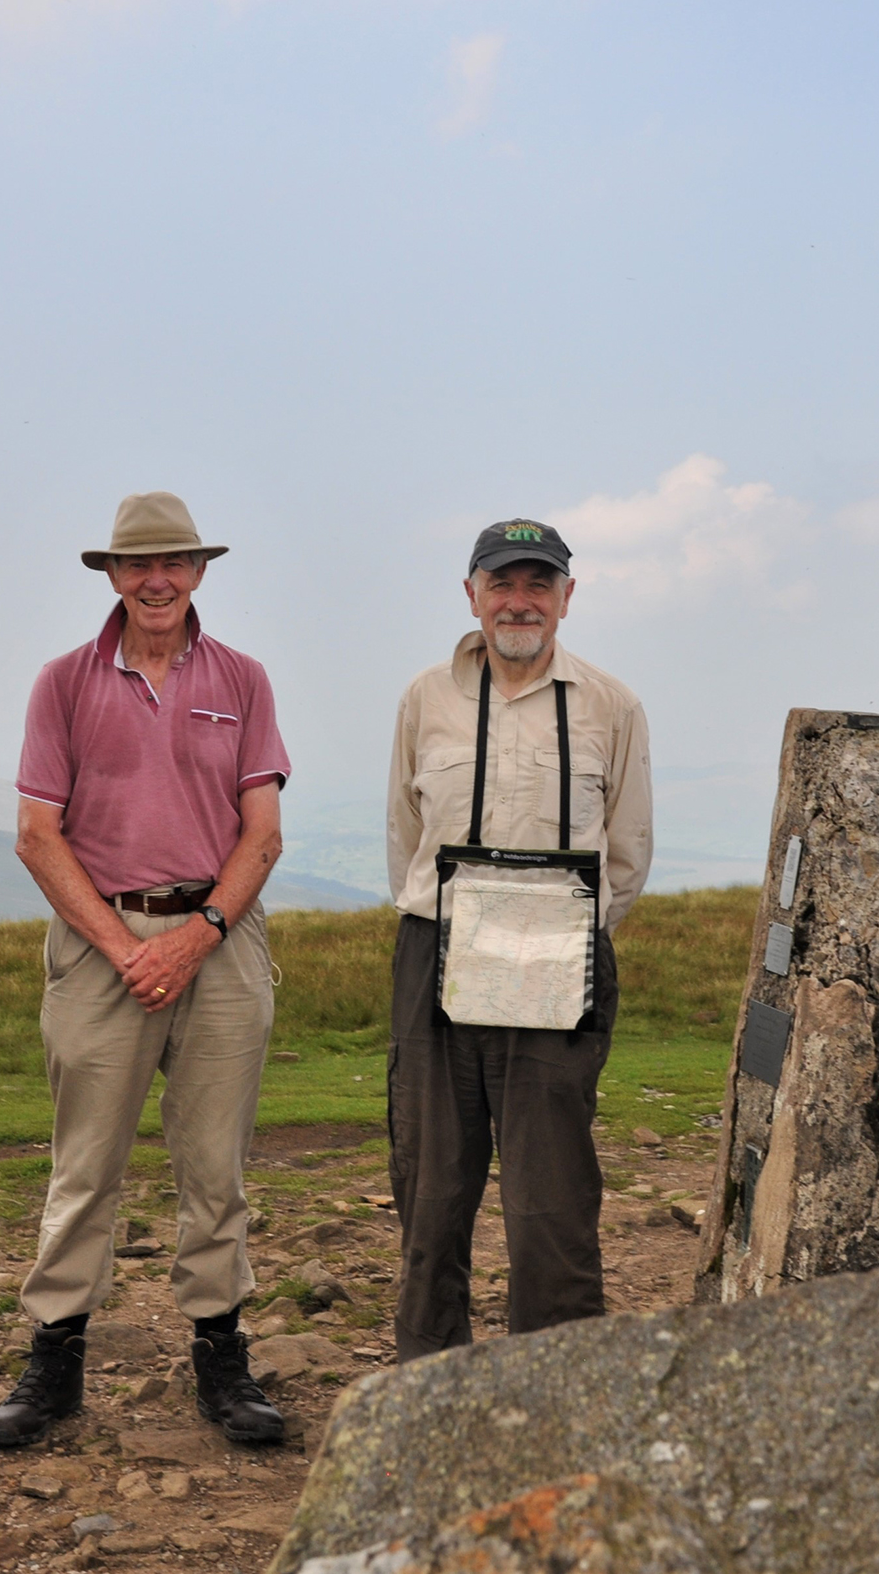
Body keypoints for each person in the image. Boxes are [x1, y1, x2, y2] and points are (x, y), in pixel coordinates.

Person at [0, 491, 290, 1448]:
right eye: (137, 564)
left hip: (220, 936)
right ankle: (54, 1364)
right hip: (100, 944)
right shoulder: (63, 683)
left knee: (217, 1165)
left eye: (174, 562)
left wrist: (195, 935)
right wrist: (126, 950)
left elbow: (263, 834)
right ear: (112, 575)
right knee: (84, 1165)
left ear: (200, 570)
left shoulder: (243, 679)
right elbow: (37, 836)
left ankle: (220, 1358)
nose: (156, 580)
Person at [385, 520, 653, 1360]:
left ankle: (557, 1383)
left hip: (559, 957)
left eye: (539, 583)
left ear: (568, 597)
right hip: (436, 954)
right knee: (431, 1187)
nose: (519, 600)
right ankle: (430, 1382)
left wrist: (555, 941)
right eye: (502, 582)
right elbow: (406, 836)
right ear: (471, 593)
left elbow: (629, 852)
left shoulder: (613, 705)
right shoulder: (425, 698)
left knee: (552, 1198)